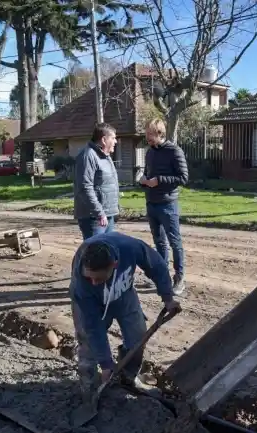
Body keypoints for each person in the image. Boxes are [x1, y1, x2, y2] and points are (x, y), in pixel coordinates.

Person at [70, 232, 181, 393]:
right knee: (88, 341)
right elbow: (93, 326)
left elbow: (157, 265)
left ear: (114, 265)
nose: (93, 282)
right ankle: (90, 386)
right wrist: (106, 364)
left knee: (137, 335)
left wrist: (168, 298)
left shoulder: (129, 247)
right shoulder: (82, 284)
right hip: (91, 302)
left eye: (98, 278)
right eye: (90, 278)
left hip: (124, 294)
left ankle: (128, 377)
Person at [140, 118, 189, 296]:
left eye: (150, 134)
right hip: (151, 203)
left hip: (168, 204)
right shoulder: (149, 153)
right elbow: (148, 173)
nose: (147, 138)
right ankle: (162, 277)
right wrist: (143, 180)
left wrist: (159, 180)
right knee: (159, 243)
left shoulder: (174, 151)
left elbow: (183, 178)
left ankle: (179, 278)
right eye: (146, 134)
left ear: (160, 133)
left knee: (175, 242)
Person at [74, 123, 120, 240]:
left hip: (107, 215)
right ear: (104, 140)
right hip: (94, 218)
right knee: (95, 250)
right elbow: (85, 187)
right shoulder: (88, 156)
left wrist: (115, 210)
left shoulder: (106, 156)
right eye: (113, 138)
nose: (116, 142)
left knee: (107, 249)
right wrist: (99, 213)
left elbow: (110, 185)